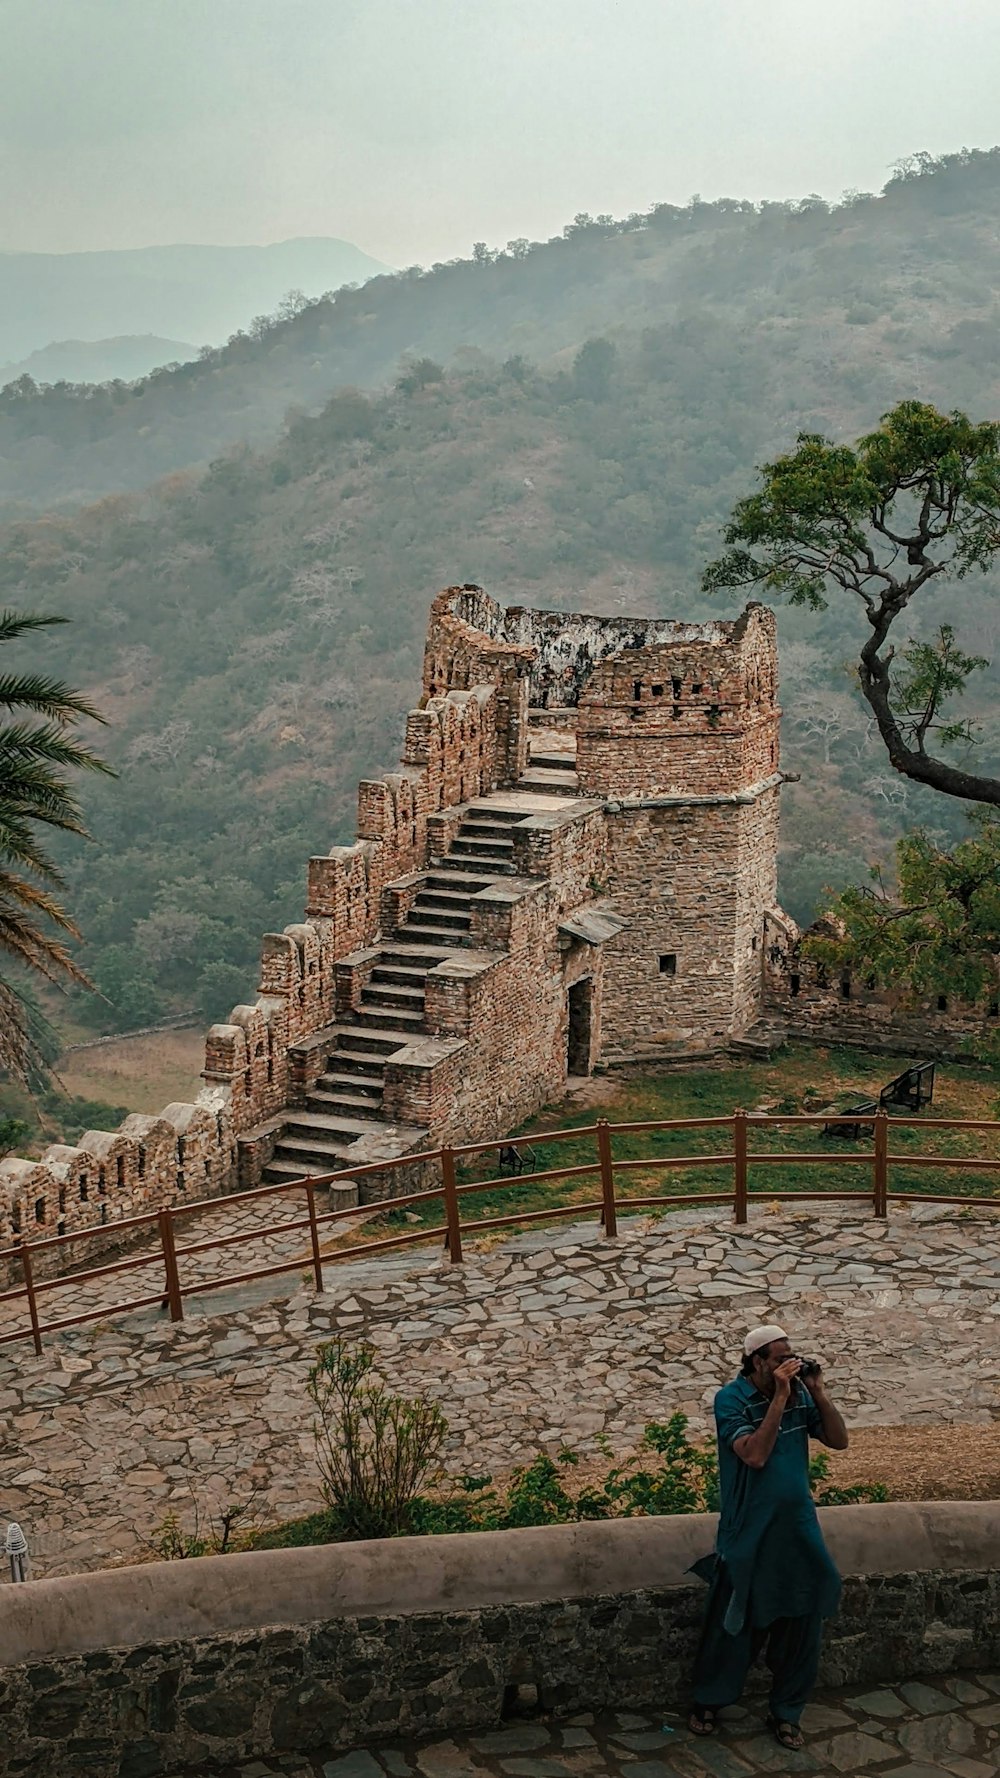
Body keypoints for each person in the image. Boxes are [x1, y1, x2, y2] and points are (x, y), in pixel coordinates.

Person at [688, 1323, 849, 1751]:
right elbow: (754, 1456)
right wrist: (779, 1396)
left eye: (790, 1357)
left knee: (803, 1625)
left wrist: (815, 1391)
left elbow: (838, 1440)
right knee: (735, 1622)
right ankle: (709, 1700)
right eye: (779, 1359)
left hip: (797, 1530)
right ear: (757, 1361)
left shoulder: (799, 1395)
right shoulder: (731, 1400)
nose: (787, 1365)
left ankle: (787, 1712)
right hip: (749, 1530)